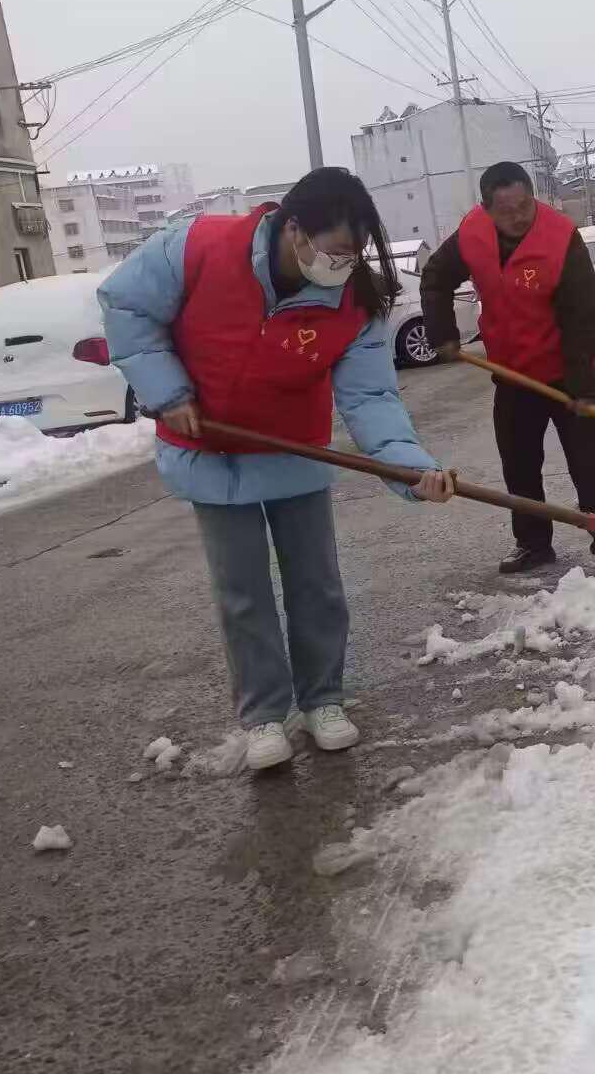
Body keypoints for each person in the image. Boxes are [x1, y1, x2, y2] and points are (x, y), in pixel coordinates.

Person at [99, 168, 455, 773]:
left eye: (353, 254)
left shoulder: (355, 302)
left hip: (295, 448)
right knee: (243, 593)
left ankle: (323, 700)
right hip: (209, 447)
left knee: (316, 584)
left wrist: (411, 469)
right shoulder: (200, 247)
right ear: (294, 230)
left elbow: (370, 398)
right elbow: (125, 303)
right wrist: (169, 393)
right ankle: (264, 715)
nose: (342, 266)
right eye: (334, 251)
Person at [419, 161, 595, 576]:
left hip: (564, 373)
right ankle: (533, 544)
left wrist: (582, 388)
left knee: (590, 463)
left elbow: (582, 317)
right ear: (486, 209)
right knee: (519, 464)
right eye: (506, 210)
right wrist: (443, 332)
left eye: (524, 205)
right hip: (512, 373)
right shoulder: (472, 233)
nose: (518, 217)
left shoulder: (560, 237)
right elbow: (435, 277)